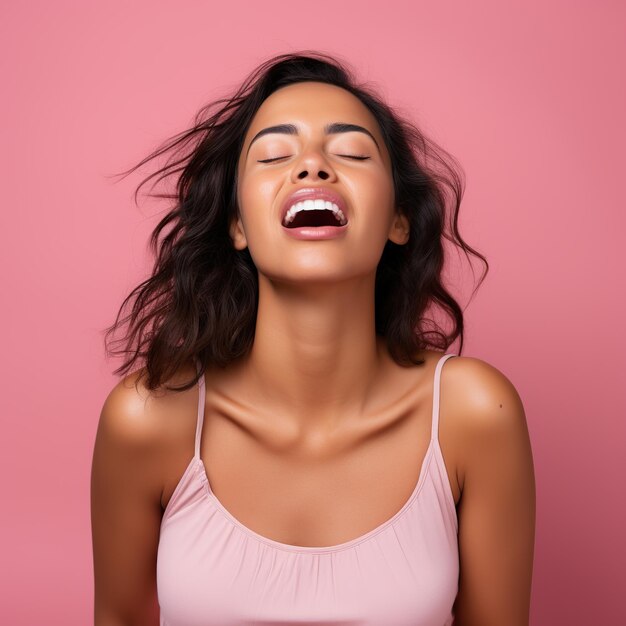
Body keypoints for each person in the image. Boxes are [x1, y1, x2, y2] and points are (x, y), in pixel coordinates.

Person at [91, 51, 536, 626]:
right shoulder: (149, 418)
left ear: (399, 219)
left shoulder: (473, 413)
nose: (312, 168)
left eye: (351, 152)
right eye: (275, 155)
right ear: (238, 226)